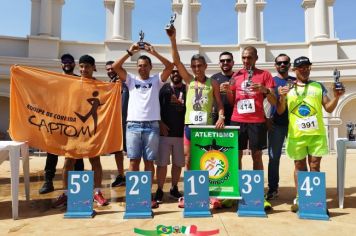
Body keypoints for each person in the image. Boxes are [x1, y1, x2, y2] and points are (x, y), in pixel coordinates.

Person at [277, 56, 345, 212]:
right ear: (294, 70)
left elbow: (328, 108)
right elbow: (280, 111)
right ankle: (301, 198)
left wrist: (337, 97)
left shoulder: (318, 86)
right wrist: (281, 96)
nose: (305, 70)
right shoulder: (289, 88)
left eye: (307, 67)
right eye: (301, 67)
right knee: (299, 166)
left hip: (316, 134)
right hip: (296, 135)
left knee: (315, 166)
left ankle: (314, 199)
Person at [167, 27, 225, 208]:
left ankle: (207, 193)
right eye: (194, 66)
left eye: (199, 66)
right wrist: (173, 39)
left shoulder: (213, 83)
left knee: (206, 160)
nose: (197, 68)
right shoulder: (189, 81)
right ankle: (190, 193)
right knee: (188, 160)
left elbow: (219, 104)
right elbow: (176, 61)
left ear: (205, 66)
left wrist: (221, 117)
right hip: (189, 127)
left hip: (206, 128)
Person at [112, 42, 174, 208]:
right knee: (133, 162)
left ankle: (146, 194)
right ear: (136, 67)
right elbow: (116, 66)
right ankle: (134, 195)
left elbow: (170, 66)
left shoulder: (156, 80)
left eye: (146, 66)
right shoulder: (131, 80)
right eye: (140, 66)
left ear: (150, 67)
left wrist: (154, 52)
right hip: (132, 125)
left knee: (148, 162)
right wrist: (129, 51)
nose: (142, 68)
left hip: (152, 126)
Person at [52, 55, 109, 207]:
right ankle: (66, 193)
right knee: (68, 161)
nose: (84, 69)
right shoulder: (71, 83)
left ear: (94, 67)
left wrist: (115, 87)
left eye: (87, 67)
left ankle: (97, 192)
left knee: (95, 160)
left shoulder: (100, 85)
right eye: (81, 66)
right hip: (73, 129)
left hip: (91, 129)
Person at [226, 46, 277, 210]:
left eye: (249, 57)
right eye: (244, 58)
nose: (246, 61)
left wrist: (264, 90)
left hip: (256, 121)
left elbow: (275, 100)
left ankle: (256, 193)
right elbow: (231, 98)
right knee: (236, 156)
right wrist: (227, 90)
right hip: (237, 119)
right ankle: (237, 191)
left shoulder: (265, 75)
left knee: (257, 156)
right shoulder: (236, 75)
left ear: (256, 58)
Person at [39, 54, 85, 194]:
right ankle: (48, 181)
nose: (67, 64)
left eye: (70, 62)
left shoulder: (80, 80)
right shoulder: (54, 80)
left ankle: (79, 183)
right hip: (57, 122)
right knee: (52, 153)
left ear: (74, 64)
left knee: (77, 154)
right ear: (61, 64)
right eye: (64, 62)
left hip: (75, 123)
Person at [265, 54, 296, 200]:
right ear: (275, 65)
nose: (282, 65)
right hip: (276, 124)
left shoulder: (296, 81)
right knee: (273, 157)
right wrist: (266, 118)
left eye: (285, 63)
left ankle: (302, 191)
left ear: (289, 65)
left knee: (299, 158)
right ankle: (272, 188)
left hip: (295, 125)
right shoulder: (271, 81)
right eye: (279, 63)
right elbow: (265, 101)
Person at [154, 69, 186, 203]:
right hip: (165, 133)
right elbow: (155, 107)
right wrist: (160, 123)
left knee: (178, 164)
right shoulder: (164, 88)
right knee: (162, 164)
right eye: (172, 72)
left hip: (180, 133)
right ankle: (160, 189)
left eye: (178, 72)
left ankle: (174, 187)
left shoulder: (188, 89)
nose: (175, 74)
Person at [105, 61, 128, 187]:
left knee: (133, 152)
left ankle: (136, 175)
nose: (110, 71)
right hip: (114, 122)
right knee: (117, 150)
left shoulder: (126, 81)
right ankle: (121, 175)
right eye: (107, 69)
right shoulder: (108, 85)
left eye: (112, 68)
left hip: (129, 121)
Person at [211, 51, 235, 125]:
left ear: (233, 62)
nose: (225, 62)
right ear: (219, 64)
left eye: (228, 60)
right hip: (217, 116)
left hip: (234, 116)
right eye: (222, 61)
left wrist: (230, 90)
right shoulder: (213, 78)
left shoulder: (238, 77)